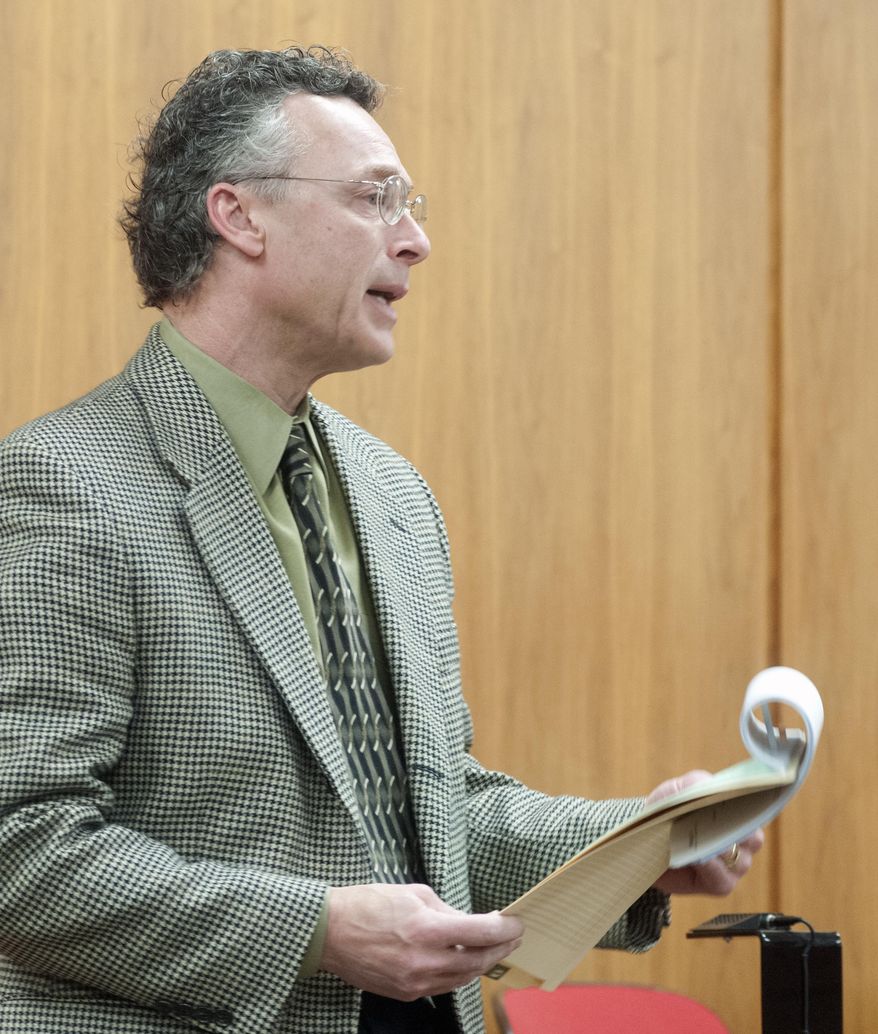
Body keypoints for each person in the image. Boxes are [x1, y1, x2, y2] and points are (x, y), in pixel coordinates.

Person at [0, 47, 761, 1034]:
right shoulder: (66, 484)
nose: (414, 241)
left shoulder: (392, 492)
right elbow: (24, 846)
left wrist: (636, 840)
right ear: (239, 216)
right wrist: (314, 928)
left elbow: (441, 811)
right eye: (376, 198)